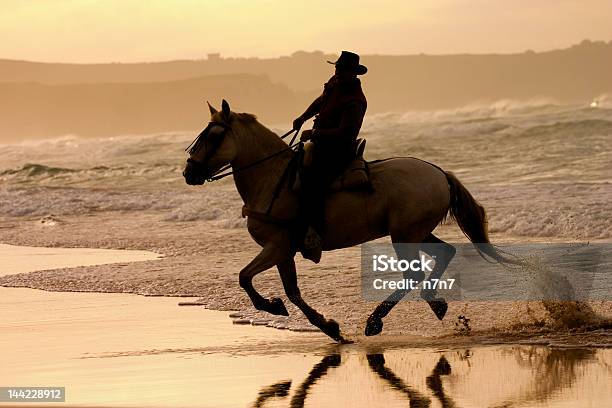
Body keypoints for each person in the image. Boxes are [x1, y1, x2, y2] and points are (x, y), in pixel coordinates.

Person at [292, 51, 368, 262]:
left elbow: (345, 133)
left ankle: (315, 236)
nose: (337, 72)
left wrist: (314, 133)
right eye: (336, 68)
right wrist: (303, 116)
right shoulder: (336, 83)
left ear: (353, 73)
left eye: (341, 69)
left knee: (313, 184)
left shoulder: (355, 101)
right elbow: (321, 100)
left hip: (337, 151)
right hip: (321, 144)